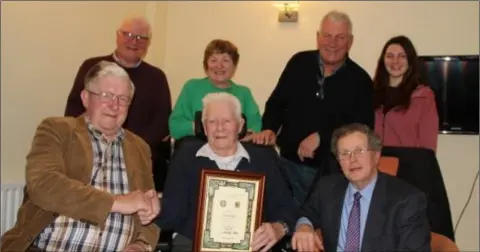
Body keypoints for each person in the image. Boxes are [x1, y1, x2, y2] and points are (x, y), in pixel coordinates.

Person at [1, 61, 160, 252]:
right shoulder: (57, 130)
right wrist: (116, 202)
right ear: (85, 98)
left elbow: (148, 216)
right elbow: (44, 184)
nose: (114, 105)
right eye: (106, 95)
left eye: (123, 99)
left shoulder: (140, 148)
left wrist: (141, 245)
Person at [252, 10, 374, 208]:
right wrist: (269, 128)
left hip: (330, 176)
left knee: (316, 231)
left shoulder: (361, 81)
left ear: (350, 41)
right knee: (283, 224)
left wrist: (322, 136)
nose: (332, 43)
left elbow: (363, 130)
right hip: (286, 167)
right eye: (327, 36)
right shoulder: (298, 62)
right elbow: (276, 102)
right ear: (318, 38)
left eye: (340, 37)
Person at [159, 93, 295, 252]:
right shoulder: (185, 158)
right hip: (194, 244)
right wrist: (156, 206)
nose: (219, 127)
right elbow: (172, 215)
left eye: (227, 121)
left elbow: (287, 209)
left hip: (251, 247)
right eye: (212, 121)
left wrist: (279, 228)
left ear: (240, 124)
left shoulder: (263, 159)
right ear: (204, 126)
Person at [64, 16, 172, 191]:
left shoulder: (157, 77)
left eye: (141, 37)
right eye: (128, 34)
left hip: (136, 157)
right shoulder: (92, 67)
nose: (133, 41)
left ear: (148, 43)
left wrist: (132, 148)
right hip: (89, 151)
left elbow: (162, 121)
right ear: (117, 36)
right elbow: (74, 109)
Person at [292, 123, 431, 252]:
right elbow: (306, 213)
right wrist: (304, 226)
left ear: (376, 156)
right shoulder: (327, 188)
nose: (353, 159)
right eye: (344, 153)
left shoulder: (407, 201)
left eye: (359, 151)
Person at [168, 39, 262, 142]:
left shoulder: (244, 93)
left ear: (234, 65)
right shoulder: (191, 87)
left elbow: (255, 127)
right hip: (198, 147)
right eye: (213, 60)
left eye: (225, 60)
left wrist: (243, 134)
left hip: (234, 149)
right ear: (206, 65)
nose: (219, 65)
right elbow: (175, 127)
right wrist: (201, 127)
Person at [373, 35, 439, 151]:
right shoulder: (372, 92)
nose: (395, 61)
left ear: (410, 60)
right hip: (375, 166)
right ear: (383, 60)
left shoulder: (424, 97)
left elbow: (428, 146)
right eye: (390, 56)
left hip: (407, 166)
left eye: (402, 56)